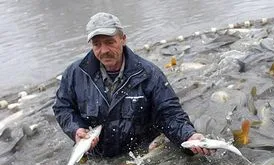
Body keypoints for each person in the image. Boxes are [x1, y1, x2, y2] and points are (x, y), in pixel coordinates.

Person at [53, 12, 211, 157]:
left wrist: (188, 135)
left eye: (109, 42)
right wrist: (76, 130)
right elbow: (63, 107)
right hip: (96, 155)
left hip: (138, 156)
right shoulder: (75, 73)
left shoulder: (149, 74)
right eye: (97, 44)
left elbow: (169, 113)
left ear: (123, 39)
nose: (104, 50)